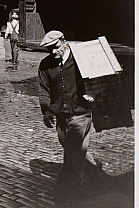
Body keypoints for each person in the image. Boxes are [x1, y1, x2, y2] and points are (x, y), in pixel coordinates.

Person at [38, 30, 100, 197]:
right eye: (48, 49)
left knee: (71, 152)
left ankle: (64, 192)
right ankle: (96, 174)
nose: (52, 51)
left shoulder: (81, 60)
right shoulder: (45, 65)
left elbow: (99, 78)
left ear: (63, 41)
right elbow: (44, 91)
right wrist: (46, 111)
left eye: (55, 47)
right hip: (61, 117)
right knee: (75, 149)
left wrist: (92, 93)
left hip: (81, 114)